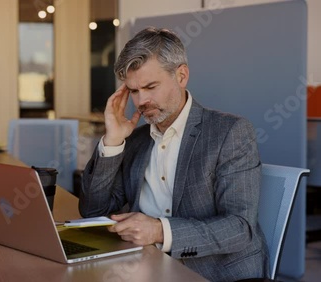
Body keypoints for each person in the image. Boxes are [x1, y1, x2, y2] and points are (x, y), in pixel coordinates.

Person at [78, 27, 269, 281]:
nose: (141, 100)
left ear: (181, 75)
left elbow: (239, 228)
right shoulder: (135, 140)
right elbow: (93, 210)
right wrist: (112, 140)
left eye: (150, 86)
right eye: (133, 91)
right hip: (145, 265)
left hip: (213, 271)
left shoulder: (229, 133)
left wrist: (159, 231)